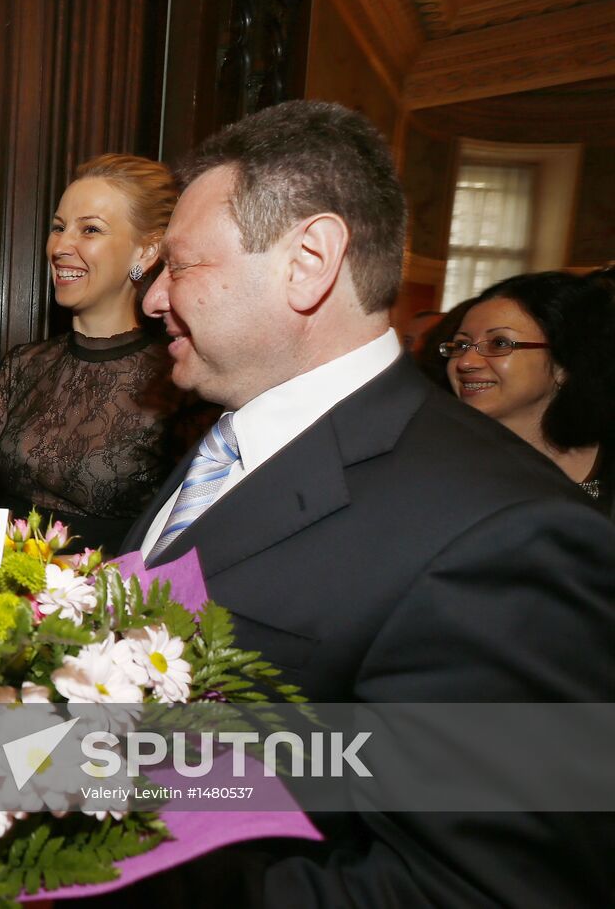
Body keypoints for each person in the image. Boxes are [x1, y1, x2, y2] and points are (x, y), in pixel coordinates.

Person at [119, 100, 615, 906]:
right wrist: (16, 764)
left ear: (308, 259)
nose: (150, 300)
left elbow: (484, 887)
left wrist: (103, 874)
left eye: (180, 265)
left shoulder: (510, 531)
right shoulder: (226, 436)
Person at [0, 154, 200, 551]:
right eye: (58, 227)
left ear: (146, 252)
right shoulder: (25, 364)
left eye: (90, 229)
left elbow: (181, 542)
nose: (61, 246)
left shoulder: (179, 379)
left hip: (105, 605)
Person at [443, 270, 614, 517]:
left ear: (563, 364)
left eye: (499, 343)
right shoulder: (434, 461)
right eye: (461, 345)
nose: (466, 362)